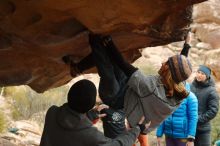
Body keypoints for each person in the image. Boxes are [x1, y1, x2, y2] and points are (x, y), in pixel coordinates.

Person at [40, 79, 150, 146]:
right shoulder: (90, 135)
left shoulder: (52, 112)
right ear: (90, 105)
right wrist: (137, 129)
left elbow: (70, 124)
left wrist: (89, 115)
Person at [190, 65, 219, 146]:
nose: (199, 75)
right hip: (189, 129)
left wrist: (197, 119)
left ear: (207, 76)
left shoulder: (211, 91)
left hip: (203, 131)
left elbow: (213, 111)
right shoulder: (190, 87)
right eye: (198, 72)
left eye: (202, 73)